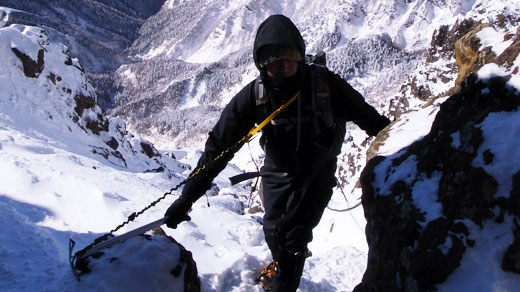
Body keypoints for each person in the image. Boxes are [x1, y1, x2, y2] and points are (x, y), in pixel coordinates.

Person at [164, 14, 390, 291]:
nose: (284, 69)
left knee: (294, 237)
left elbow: (369, 118)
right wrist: (186, 198)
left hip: (319, 167)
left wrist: (400, 149)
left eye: (291, 61)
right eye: (274, 65)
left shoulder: (325, 85)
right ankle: (282, 262)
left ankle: (285, 280)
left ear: (301, 58)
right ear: (261, 67)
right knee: (273, 229)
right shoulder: (255, 97)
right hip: (279, 167)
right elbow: (218, 149)